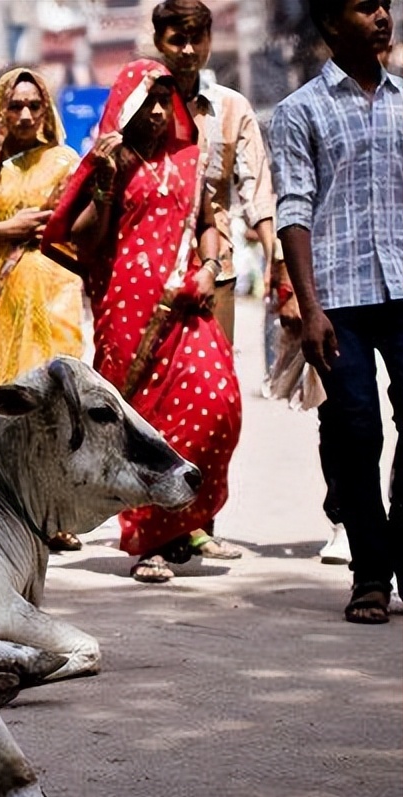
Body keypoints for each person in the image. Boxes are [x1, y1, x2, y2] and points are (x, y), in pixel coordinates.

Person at [41, 59, 242, 584]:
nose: (156, 113)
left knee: (218, 402)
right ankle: (147, 539)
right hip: (126, 309)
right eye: (146, 103)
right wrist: (105, 183)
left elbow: (207, 224)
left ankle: (187, 521)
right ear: (125, 107)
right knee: (141, 423)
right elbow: (83, 239)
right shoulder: (111, 161)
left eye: (163, 102)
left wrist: (212, 267)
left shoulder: (191, 158)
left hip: (185, 304)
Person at [270, 0, 403, 623]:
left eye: (384, 5)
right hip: (339, 299)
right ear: (329, 25)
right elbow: (294, 207)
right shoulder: (300, 112)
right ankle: (371, 577)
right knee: (355, 435)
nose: (381, 16)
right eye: (363, 7)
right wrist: (309, 306)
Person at [152, 0, 278, 561]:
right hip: (150, 274)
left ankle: (199, 520)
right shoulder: (142, 103)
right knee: (152, 401)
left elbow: (257, 191)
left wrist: (280, 267)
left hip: (216, 274)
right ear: (160, 41)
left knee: (212, 399)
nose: (186, 49)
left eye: (195, 39)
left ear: (207, 43)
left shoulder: (230, 109)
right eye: (176, 38)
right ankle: (154, 531)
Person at [0, 67, 86, 552]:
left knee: (57, 403)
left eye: (35, 105)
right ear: (0, 110)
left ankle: (58, 514)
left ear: (47, 109)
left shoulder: (64, 161)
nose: (26, 115)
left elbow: (84, 226)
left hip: (55, 298)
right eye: (16, 106)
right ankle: (7, 510)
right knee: (9, 406)